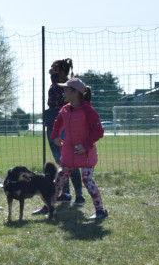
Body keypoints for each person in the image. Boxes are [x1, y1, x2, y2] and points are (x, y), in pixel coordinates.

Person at [50, 78, 108, 220]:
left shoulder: (88, 110)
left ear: (76, 93)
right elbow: (58, 123)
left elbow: (98, 131)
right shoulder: (64, 109)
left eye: (66, 90)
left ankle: (101, 211)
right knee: (59, 179)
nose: (63, 93)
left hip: (86, 153)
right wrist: (55, 135)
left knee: (87, 180)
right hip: (69, 153)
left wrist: (85, 145)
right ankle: (49, 206)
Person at [38, 57, 85, 211]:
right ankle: (65, 193)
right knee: (60, 161)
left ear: (62, 71)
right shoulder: (54, 86)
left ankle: (79, 194)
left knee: (69, 161)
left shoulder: (68, 87)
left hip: (65, 128)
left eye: (54, 68)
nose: (50, 71)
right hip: (52, 126)